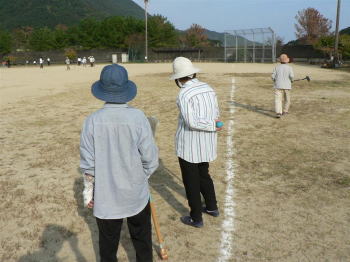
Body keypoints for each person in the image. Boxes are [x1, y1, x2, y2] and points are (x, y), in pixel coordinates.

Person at [80, 64, 158, 262]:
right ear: (126, 89)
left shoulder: (92, 120)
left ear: (102, 90)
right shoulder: (138, 118)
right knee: (142, 239)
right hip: (136, 194)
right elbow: (150, 158)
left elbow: (88, 164)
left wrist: (88, 190)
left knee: (107, 244)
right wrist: (142, 176)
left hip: (106, 196)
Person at [170, 57, 222, 228]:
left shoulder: (184, 94)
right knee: (204, 174)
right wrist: (214, 125)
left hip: (189, 144)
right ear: (192, 72)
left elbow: (191, 122)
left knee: (191, 180)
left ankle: (196, 217)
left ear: (178, 78)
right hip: (206, 142)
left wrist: (211, 125)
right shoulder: (208, 88)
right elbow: (216, 112)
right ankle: (212, 207)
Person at [272, 54, 294, 118]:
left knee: (278, 99)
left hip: (278, 86)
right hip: (287, 86)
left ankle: (278, 112)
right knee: (287, 99)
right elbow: (292, 76)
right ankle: (285, 111)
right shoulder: (290, 68)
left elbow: (273, 76)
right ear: (287, 60)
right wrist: (291, 80)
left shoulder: (276, 67)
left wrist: (275, 80)